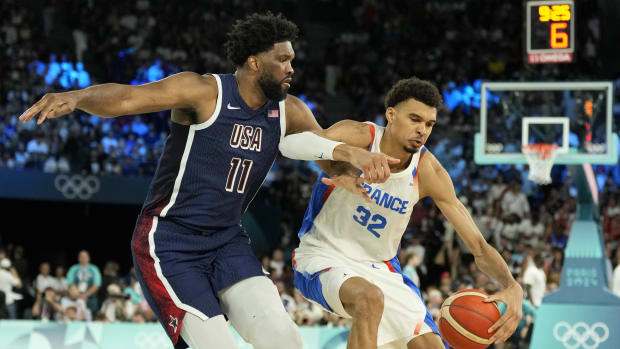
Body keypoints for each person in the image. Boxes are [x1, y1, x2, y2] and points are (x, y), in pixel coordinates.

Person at [19, 12, 394, 349]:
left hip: (227, 241)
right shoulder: (203, 92)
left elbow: (324, 155)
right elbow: (126, 98)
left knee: (286, 341)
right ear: (253, 62)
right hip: (169, 241)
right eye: (282, 59)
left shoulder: (290, 111)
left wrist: (349, 170)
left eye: (292, 59)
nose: (291, 67)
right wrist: (78, 96)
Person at [292, 77, 523, 348]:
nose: (422, 130)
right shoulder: (359, 136)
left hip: (381, 268)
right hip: (322, 254)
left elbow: (479, 246)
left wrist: (511, 285)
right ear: (391, 114)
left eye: (429, 124)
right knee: (368, 298)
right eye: (415, 119)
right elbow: (292, 145)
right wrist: (346, 158)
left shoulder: (428, 171)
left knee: (430, 345)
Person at [66, 250, 101, 316]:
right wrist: (79, 295)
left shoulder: (94, 269)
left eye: (85, 257)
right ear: (78, 258)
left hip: (90, 297)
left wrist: (86, 294)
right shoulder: (73, 268)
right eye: (81, 257)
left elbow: (96, 284)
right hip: (76, 297)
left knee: (91, 314)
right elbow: (70, 283)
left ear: (89, 258)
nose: (83, 259)